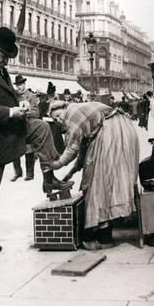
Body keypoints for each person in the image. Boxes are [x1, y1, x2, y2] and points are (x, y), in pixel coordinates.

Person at [0, 27, 73, 252]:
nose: (6, 60)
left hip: (9, 130)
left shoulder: (0, 71)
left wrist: (20, 104)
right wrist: (9, 112)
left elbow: (10, 96)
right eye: (3, 56)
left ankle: (49, 177)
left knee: (42, 128)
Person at [49, 100, 140, 250]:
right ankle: (104, 235)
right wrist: (70, 173)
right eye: (54, 119)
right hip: (122, 130)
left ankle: (101, 235)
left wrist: (55, 165)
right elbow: (83, 152)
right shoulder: (81, 114)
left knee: (99, 185)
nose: (58, 120)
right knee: (105, 183)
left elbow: (72, 149)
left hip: (112, 133)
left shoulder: (72, 113)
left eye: (58, 115)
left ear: (65, 108)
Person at [11, 74, 40, 181]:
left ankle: (29, 174)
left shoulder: (31, 96)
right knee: (14, 150)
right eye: (17, 85)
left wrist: (25, 113)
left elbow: (36, 113)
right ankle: (17, 172)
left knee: (29, 150)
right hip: (16, 126)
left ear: (24, 84)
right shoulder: (14, 96)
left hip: (27, 126)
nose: (19, 87)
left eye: (21, 84)